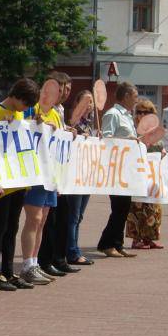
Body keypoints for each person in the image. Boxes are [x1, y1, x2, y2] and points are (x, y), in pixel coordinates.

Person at [0, 79, 40, 291]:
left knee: (12, 227)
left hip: (17, 180)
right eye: (26, 104)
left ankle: (8, 271)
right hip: (1, 181)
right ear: (17, 97)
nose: (26, 109)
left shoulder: (19, 115)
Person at [19, 77, 65, 285]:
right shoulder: (32, 109)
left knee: (42, 220)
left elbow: (59, 142)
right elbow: (19, 127)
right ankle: (27, 265)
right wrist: (37, 123)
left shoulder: (55, 113)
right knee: (34, 218)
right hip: (35, 172)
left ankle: (34, 262)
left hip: (50, 175)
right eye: (49, 90)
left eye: (58, 91)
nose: (53, 94)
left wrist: (68, 133)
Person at [37, 71, 81, 278]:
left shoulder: (59, 110)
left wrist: (68, 131)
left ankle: (58, 258)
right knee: (47, 221)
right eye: (61, 88)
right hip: (47, 173)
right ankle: (45, 260)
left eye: (67, 89)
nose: (64, 93)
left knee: (62, 217)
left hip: (59, 173)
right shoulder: (41, 108)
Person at [97, 82, 140, 258]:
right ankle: (107, 244)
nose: (137, 100)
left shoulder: (127, 116)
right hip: (115, 167)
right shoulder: (113, 114)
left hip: (126, 167)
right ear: (126, 96)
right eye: (135, 96)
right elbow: (106, 138)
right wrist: (127, 140)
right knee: (119, 206)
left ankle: (117, 243)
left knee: (124, 207)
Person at [126, 99, 166, 249]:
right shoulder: (134, 130)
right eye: (140, 112)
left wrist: (162, 153)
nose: (142, 115)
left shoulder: (156, 132)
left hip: (153, 176)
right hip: (138, 175)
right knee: (138, 206)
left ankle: (150, 238)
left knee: (153, 207)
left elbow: (161, 148)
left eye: (146, 112)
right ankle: (136, 239)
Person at [66, 90, 95, 265]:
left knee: (79, 216)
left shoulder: (89, 124)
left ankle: (74, 248)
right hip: (75, 175)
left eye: (91, 102)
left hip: (86, 175)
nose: (89, 105)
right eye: (86, 101)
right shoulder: (73, 123)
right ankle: (72, 251)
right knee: (73, 216)